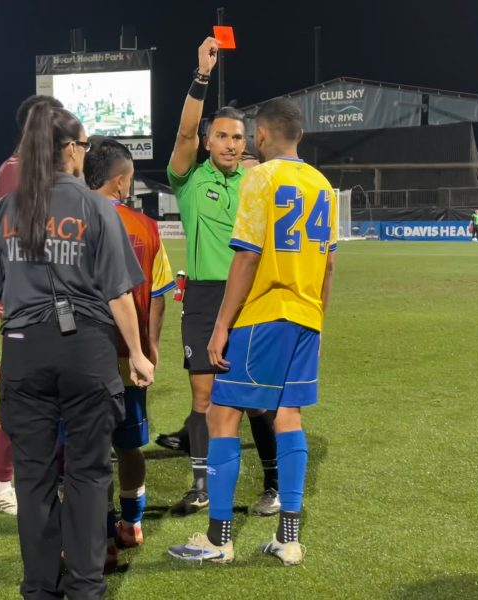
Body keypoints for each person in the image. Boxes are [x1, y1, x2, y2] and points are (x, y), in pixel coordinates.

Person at [0, 104, 154, 600]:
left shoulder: (4, 209)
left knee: (33, 480)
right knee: (88, 476)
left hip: (23, 351)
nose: (86, 154)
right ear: (70, 149)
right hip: (86, 352)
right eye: (85, 145)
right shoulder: (98, 208)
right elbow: (118, 295)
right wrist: (137, 354)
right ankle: (86, 587)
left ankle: (40, 589)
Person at [169, 97, 338, 566]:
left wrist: (222, 326)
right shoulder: (323, 185)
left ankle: (218, 539)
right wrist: (318, 323)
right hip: (306, 317)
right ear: (299, 134)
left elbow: (245, 257)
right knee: (288, 417)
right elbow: (329, 266)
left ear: (260, 135)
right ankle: (288, 539)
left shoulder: (260, 179)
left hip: (263, 314)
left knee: (222, 415)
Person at [160, 37, 280, 516]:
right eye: (224, 136)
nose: (232, 144)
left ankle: (272, 486)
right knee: (204, 395)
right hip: (204, 298)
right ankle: (201, 487)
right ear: (208, 141)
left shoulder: (257, 181)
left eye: (238, 137)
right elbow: (184, 133)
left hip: (250, 297)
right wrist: (202, 75)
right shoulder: (189, 179)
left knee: (256, 400)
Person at [84, 137, 175, 560]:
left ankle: (102, 536)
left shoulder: (70, 221)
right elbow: (157, 294)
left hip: (82, 356)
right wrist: (149, 345)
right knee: (128, 444)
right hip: (129, 356)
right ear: (121, 181)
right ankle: (132, 523)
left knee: (89, 449)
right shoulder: (146, 227)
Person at [0, 94, 63, 516]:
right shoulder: (15, 171)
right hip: (24, 303)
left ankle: (48, 472)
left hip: (57, 298)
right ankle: (0, 484)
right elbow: (3, 236)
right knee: (17, 396)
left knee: (57, 393)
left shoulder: (53, 168)